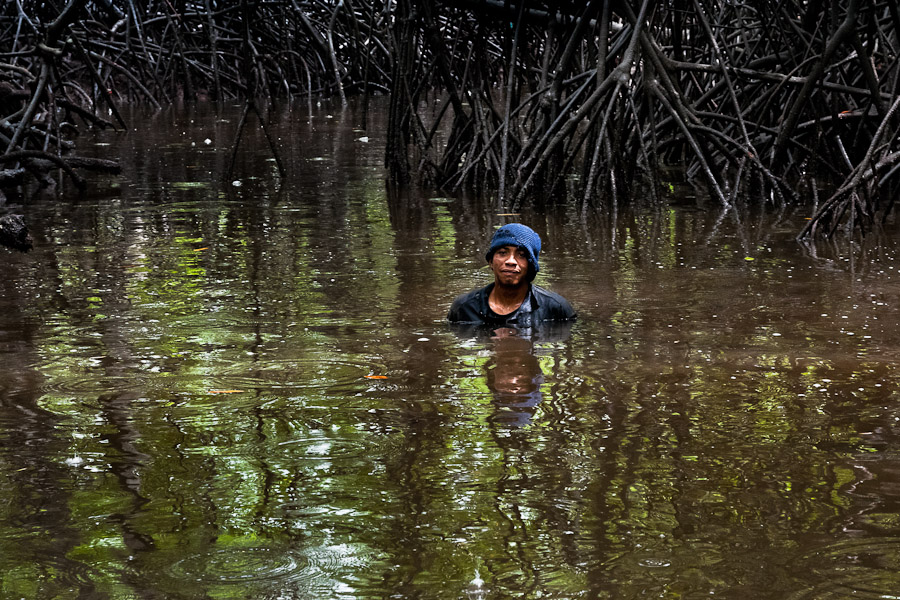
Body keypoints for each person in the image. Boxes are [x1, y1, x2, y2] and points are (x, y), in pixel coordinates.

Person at [447, 223, 576, 329]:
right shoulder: (464, 308)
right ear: (491, 262)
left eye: (521, 255)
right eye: (503, 253)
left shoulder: (556, 309)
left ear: (531, 266)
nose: (511, 261)